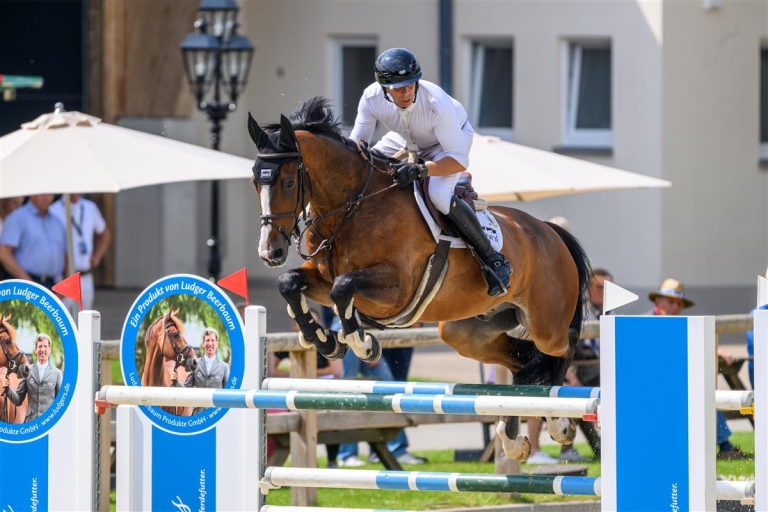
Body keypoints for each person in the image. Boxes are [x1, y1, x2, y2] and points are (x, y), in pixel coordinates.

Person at [349, 47, 511, 298]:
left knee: (437, 194)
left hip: (446, 144)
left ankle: (492, 259)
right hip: (406, 137)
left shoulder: (436, 103)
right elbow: (358, 145)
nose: (407, 92)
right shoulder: (371, 98)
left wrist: (420, 170)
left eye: (411, 85)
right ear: (383, 88)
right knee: (367, 171)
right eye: (399, 88)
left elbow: (458, 160)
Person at [646, 278, 748, 460]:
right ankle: (724, 447)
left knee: (702, 393)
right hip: (650, 388)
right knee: (700, 394)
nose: (675, 307)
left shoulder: (677, 324)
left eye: (679, 303)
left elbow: (689, 345)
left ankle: (721, 447)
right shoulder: (644, 323)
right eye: (671, 301)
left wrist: (715, 349)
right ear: (658, 301)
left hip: (669, 386)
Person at [332, 314, 426, 466]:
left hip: (368, 333)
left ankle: (396, 449)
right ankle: (347, 455)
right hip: (346, 329)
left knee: (390, 390)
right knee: (349, 392)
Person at [50, 194, 110, 310]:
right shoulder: (53, 210)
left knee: (85, 322)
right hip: (64, 277)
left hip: (85, 275)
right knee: (64, 321)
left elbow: (105, 234)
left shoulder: (90, 207)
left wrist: (97, 256)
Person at [0, 194, 67, 290]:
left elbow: (66, 256)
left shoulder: (57, 222)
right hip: (24, 285)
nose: (46, 197)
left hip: (53, 284)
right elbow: (4, 253)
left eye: (50, 193)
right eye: (42, 193)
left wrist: (65, 287)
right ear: (32, 194)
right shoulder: (17, 217)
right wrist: (29, 282)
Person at [3, 333, 62, 422]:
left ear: (50, 349)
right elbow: (18, 400)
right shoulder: (28, 371)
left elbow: (60, 403)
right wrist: (7, 388)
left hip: (50, 423)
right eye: (40, 346)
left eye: (45, 346)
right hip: (31, 425)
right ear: (35, 349)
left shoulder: (57, 374)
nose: (42, 350)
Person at [172, 327, 229, 415]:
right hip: (198, 417)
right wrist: (175, 381)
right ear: (203, 343)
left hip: (217, 415)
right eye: (207, 340)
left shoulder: (224, 367)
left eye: (213, 340)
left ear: (217, 344)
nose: (210, 343)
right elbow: (186, 391)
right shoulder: (196, 364)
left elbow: (228, 394)